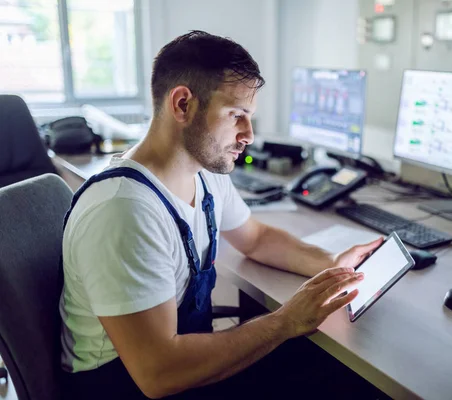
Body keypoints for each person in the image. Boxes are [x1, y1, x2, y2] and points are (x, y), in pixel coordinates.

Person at [59, 30, 385, 400]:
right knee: (343, 379)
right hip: (126, 386)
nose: (248, 134)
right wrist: (284, 321)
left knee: (335, 369)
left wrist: (332, 265)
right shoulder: (123, 211)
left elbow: (257, 238)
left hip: (175, 365)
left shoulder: (204, 174)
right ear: (182, 104)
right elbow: (158, 374)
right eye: (236, 115)